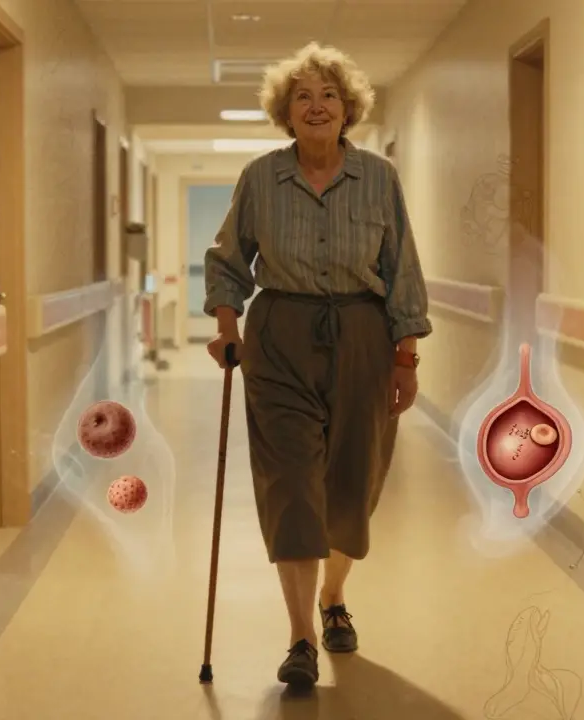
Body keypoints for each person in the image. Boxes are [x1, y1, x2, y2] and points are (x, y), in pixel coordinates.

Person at [203, 42, 432, 688]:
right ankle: (301, 635)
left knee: (352, 482)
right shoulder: (260, 178)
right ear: (286, 112)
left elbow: (402, 267)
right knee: (292, 483)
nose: (316, 106)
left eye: (329, 95)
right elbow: (228, 260)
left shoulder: (379, 178)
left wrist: (406, 356)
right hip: (279, 338)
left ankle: (334, 596)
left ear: (347, 108)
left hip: (363, 334)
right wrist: (227, 328)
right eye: (302, 96)